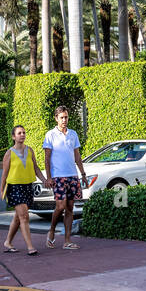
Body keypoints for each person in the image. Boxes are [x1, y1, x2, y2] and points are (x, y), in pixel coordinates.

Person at [42, 105, 87, 250]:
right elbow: (47, 158)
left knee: (69, 208)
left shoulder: (73, 134)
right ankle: (52, 230)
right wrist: (48, 177)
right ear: (56, 118)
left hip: (72, 176)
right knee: (60, 206)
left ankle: (67, 241)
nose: (64, 120)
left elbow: (77, 156)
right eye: (61, 117)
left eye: (66, 117)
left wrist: (83, 174)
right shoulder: (50, 134)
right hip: (58, 177)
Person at [0, 125, 47, 255]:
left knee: (18, 217)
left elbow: (36, 168)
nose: (22, 135)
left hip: (27, 186)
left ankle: (8, 242)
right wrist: (1, 190)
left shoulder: (30, 150)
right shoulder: (9, 153)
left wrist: (44, 180)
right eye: (19, 133)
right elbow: (4, 173)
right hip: (14, 187)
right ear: (13, 136)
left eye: (24, 132)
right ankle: (30, 247)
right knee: (24, 216)